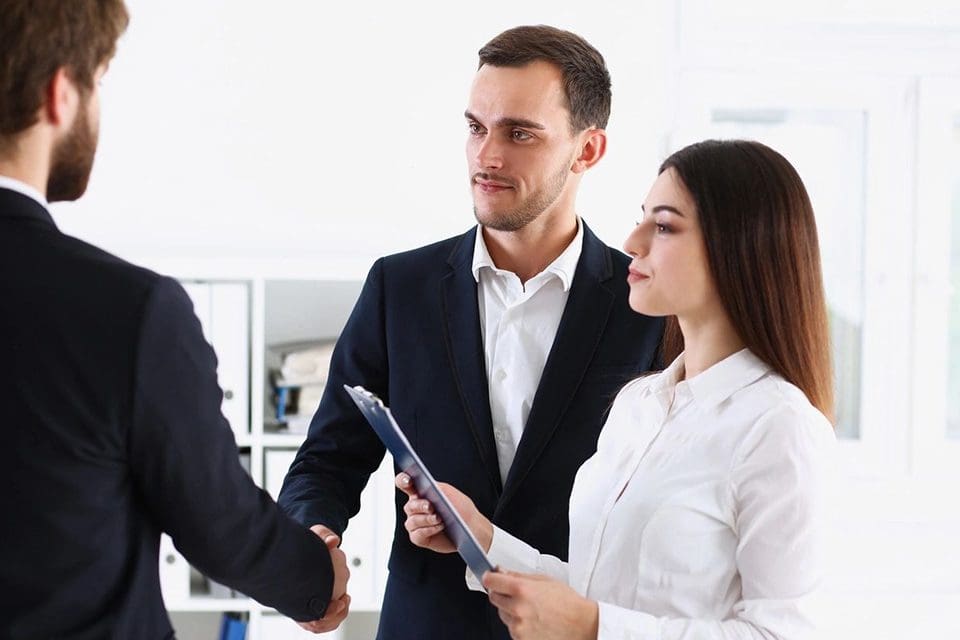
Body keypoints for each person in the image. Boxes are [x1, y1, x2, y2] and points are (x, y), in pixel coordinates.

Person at [277, 24, 664, 640]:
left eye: (520, 133)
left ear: (587, 150)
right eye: (476, 127)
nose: (488, 155)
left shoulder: (647, 304)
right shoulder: (398, 287)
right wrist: (311, 543)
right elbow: (327, 458)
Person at [0, 2, 349, 637]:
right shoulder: (125, 311)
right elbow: (221, 526)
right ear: (59, 94)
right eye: (97, 81)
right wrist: (317, 579)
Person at [400, 139, 837, 640]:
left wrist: (593, 627)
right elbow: (596, 591)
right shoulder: (639, 403)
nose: (633, 240)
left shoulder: (779, 427)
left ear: (739, 248)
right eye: (642, 217)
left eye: (665, 226)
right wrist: (483, 539)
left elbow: (781, 633)